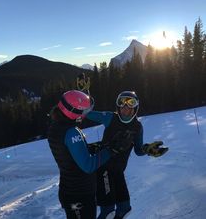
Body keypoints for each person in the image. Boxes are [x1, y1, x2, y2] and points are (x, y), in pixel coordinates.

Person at [47, 90, 130, 219]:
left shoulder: (56, 126)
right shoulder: (72, 133)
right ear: (73, 112)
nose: (85, 115)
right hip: (79, 195)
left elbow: (68, 153)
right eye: (83, 111)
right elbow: (88, 165)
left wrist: (95, 148)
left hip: (70, 190)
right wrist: (111, 150)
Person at [86, 91, 168, 219]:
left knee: (124, 209)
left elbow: (138, 150)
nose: (125, 106)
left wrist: (148, 150)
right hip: (103, 169)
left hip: (118, 171)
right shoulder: (110, 118)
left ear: (135, 108)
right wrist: (84, 95)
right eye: (122, 103)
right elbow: (87, 113)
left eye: (131, 103)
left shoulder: (137, 127)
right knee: (108, 212)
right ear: (118, 106)